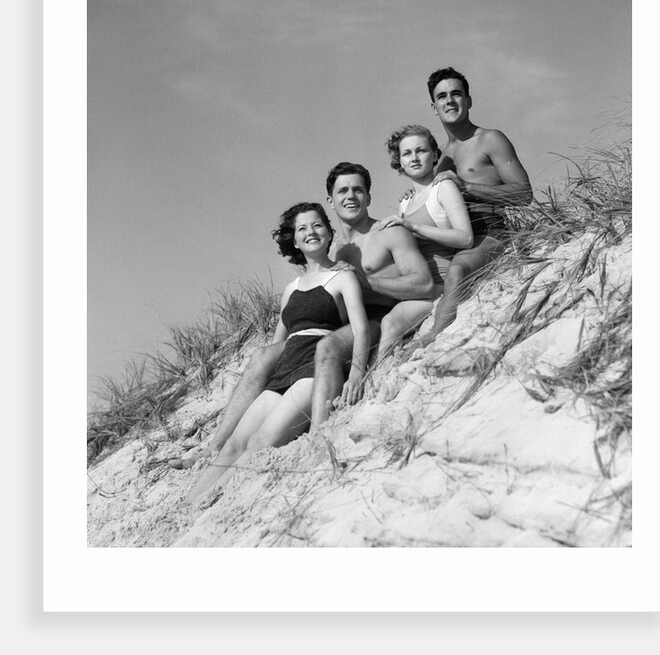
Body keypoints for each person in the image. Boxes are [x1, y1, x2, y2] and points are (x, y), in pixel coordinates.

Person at [177, 202, 369, 502]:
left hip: (311, 370)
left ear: (330, 233)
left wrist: (356, 374)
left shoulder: (342, 277)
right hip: (284, 371)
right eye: (302, 228)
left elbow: (359, 329)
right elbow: (277, 344)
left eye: (318, 225)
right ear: (294, 241)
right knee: (233, 445)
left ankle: (213, 501)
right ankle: (187, 505)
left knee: (260, 442)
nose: (311, 232)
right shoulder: (291, 288)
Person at [308, 161, 435, 427]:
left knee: (329, 346)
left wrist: (367, 283)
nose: (350, 196)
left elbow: (424, 284)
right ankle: (319, 425)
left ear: (368, 197)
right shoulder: (335, 251)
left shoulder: (389, 232)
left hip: (393, 312)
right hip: (361, 322)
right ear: (330, 201)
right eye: (343, 191)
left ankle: (321, 433)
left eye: (358, 190)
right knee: (320, 348)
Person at [423, 66, 533, 342]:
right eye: (442, 96)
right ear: (434, 107)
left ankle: (434, 338)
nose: (449, 100)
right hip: (454, 240)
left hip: (490, 232)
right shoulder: (441, 160)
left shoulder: (489, 139)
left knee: (458, 269)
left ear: (468, 101)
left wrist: (467, 187)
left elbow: (523, 194)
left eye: (456, 94)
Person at [376, 124, 474, 357]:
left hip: (440, 286)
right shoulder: (405, 203)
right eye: (407, 153)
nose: (414, 158)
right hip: (415, 286)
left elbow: (466, 237)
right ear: (399, 162)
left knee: (391, 322)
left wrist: (413, 226)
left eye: (421, 151)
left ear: (434, 155)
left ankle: (370, 386)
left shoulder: (443, 188)